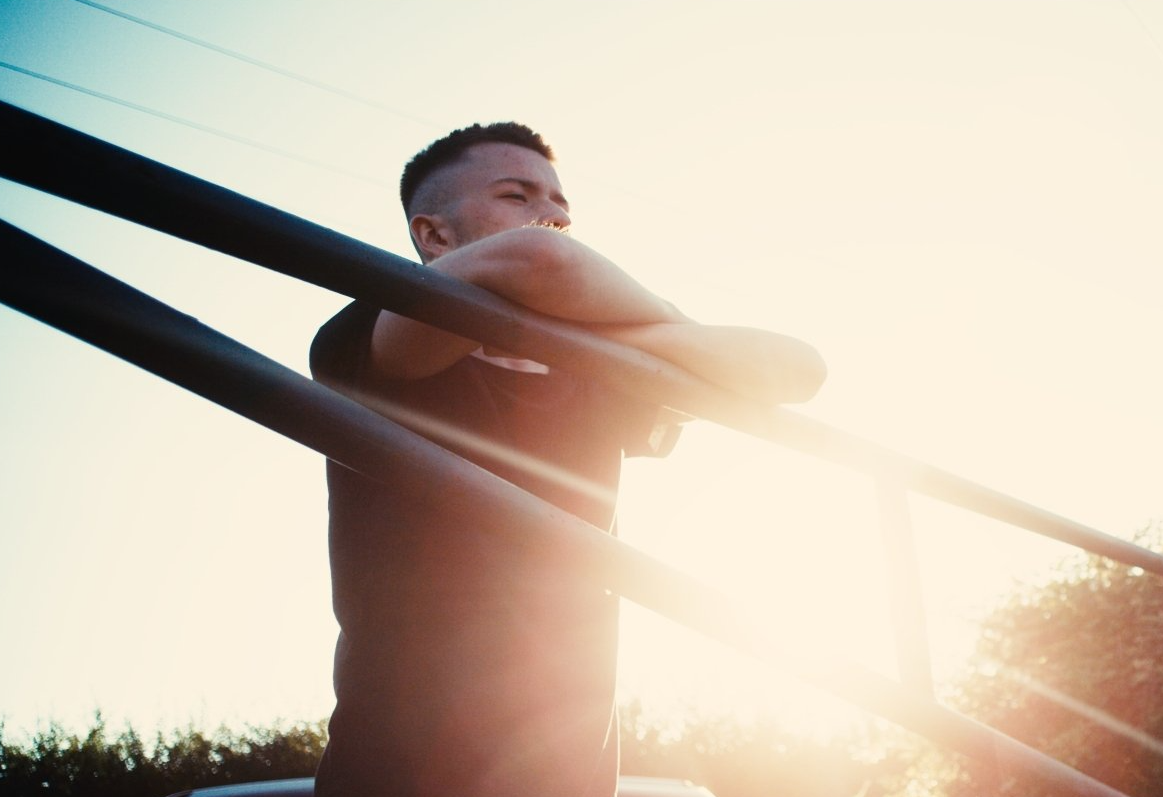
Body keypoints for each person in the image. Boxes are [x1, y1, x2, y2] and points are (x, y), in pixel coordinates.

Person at [309, 122, 825, 797]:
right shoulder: (372, 335)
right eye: (518, 195)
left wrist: (610, 332)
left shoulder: (592, 377)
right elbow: (538, 263)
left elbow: (796, 369)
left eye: (561, 205)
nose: (550, 216)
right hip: (403, 773)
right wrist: (660, 337)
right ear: (434, 236)